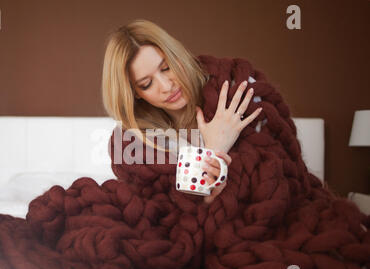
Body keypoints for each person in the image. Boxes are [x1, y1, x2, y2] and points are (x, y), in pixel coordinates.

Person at [102, 19, 262, 204]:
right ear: (134, 94)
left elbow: (275, 171)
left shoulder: (236, 89)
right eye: (146, 84)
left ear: (177, 55)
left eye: (166, 68)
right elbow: (176, 214)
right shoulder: (134, 145)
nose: (166, 86)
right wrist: (215, 148)